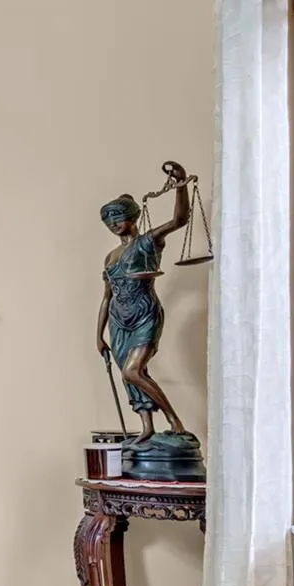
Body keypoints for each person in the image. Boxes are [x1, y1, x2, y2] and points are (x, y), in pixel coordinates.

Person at [95, 161, 190, 445]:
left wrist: (181, 184)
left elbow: (179, 220)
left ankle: (174, 420)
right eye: (108, 222)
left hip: (145, 313)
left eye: (118, 218)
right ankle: (146, 426)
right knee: (130, 377)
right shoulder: (110, 256)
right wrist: (98, 335)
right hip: (118, 319)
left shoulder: (149, 241)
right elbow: (106, 297)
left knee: (132, 371)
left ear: (132, 217)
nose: (113, 225)